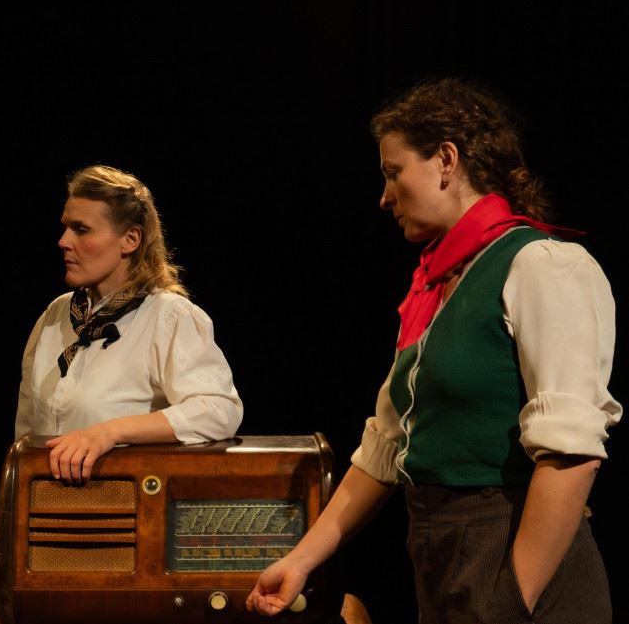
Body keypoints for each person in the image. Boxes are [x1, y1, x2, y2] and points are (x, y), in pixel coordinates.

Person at [246, 77, 623, 623]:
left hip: (519, 554)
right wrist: (299, 561)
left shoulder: (542, 265)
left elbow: (571, 456)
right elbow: (384, 450)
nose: (384, 196)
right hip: (440, 554)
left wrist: (510, 602)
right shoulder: (436, 288)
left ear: (446, 160)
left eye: (393, 172)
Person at [15, 164, 243, 483]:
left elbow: (218, 410)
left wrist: (109, 432)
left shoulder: (167, 316)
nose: (63, 241)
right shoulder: (55, 316)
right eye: (65, 228)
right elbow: (26, 435)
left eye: (81, 229)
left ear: (130, 240)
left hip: (124, 506)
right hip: (47, 507)